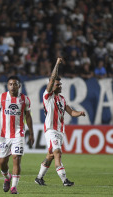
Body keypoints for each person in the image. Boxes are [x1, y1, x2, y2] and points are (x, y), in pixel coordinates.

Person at [35, 57, 86, 187]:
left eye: (60, 84)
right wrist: (57, 64)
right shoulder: (47, 96)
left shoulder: (62, 99)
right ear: (52, 85)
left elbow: (71, 112)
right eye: (58, 84)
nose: (60, 86)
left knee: (51, 155)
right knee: (57, 152)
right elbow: (52, 79)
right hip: (51, 130)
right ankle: (64, 180)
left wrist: (79, 113)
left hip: (60, 131)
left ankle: (39, 178)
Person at [0, 76, 34, 194]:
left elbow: (28, 116)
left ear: (19, 86)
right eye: (10, 84)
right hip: (4, 135)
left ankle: (14, 187)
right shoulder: (2, 97)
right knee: (2, 163)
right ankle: (7, 178)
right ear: (7, 86)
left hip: (18, 134)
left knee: (16, 159)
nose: (12, 86)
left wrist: (31, 133)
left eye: (15, 84)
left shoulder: (25, 99)